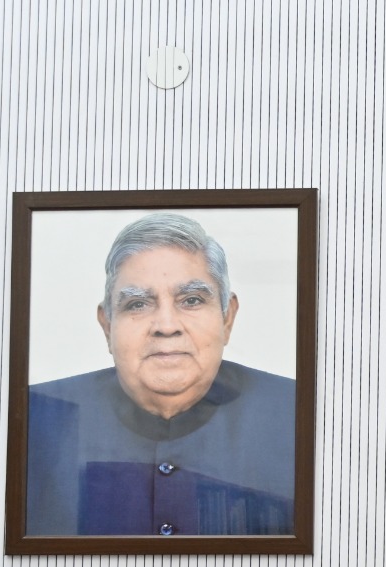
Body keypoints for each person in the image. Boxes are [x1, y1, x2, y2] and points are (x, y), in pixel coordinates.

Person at [25, 212, 296, 536]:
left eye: (191, 300)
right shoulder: (32, 420)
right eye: (138, 304)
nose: (166, 326)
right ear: (107, 326)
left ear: (227, 318)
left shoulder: (300, 413)